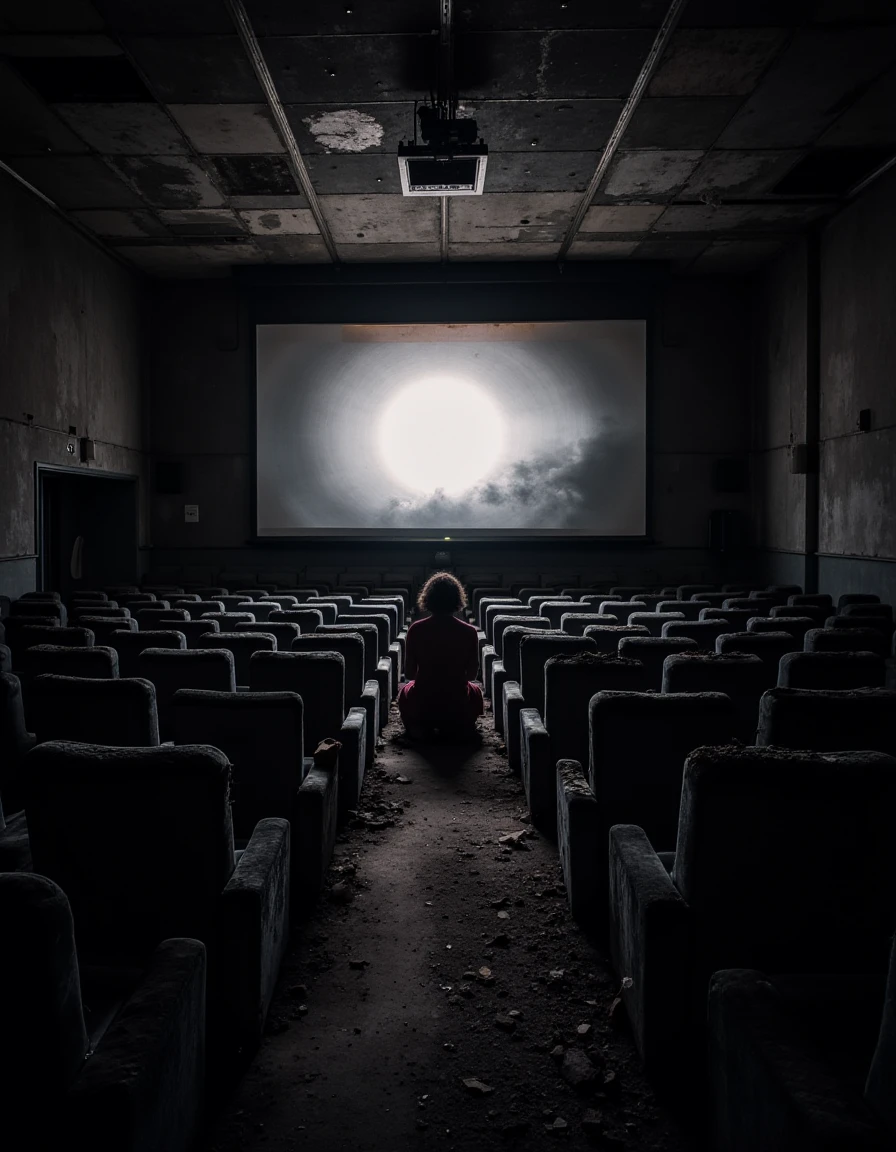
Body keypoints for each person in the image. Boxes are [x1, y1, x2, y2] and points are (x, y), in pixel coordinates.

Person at [397, 572, 483, 740]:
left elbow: (409, 674)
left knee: (404, 691)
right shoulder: (470, 632)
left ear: (428, 598)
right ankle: (457, 725)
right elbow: (472, 675)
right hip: (457, 703)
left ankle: (421, 726)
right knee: (476, 692)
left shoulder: (416, 629)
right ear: (457, 599)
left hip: (423, 703)